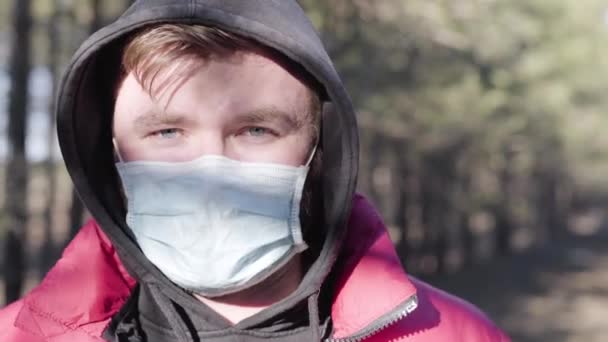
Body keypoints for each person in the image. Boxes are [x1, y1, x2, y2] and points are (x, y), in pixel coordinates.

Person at [0, 1, 510, 341]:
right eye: (166, 133)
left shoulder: (450, 333)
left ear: (319, 151)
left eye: (256, 131)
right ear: (109, 156)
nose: (210, 172)